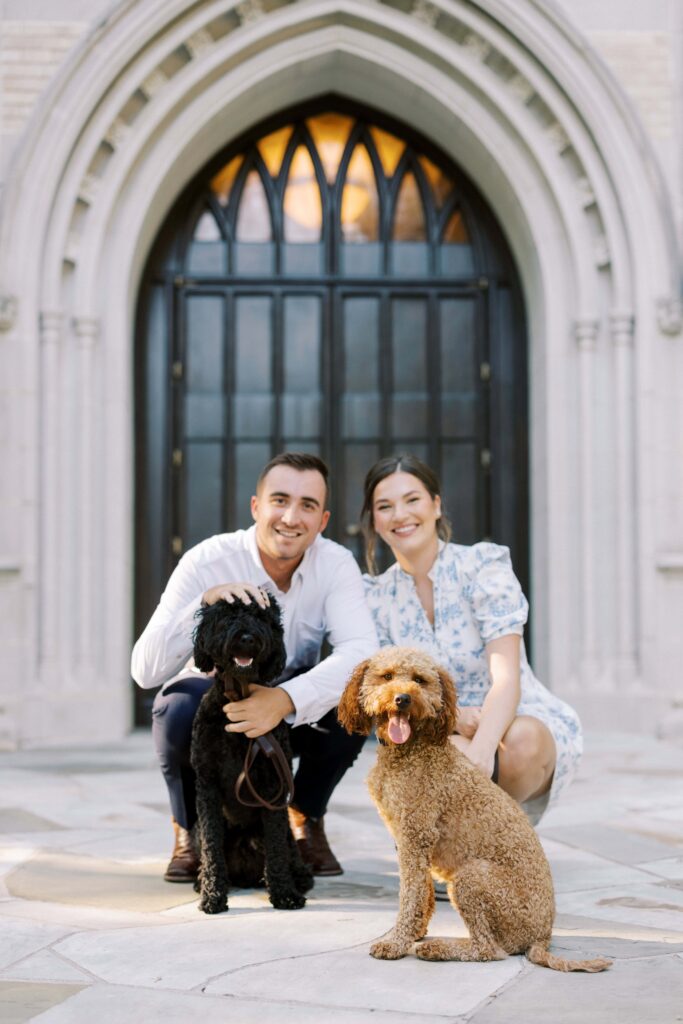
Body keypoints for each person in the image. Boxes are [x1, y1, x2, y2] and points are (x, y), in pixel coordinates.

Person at [132, 452, 378, 881]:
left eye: (307, 505)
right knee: (176, 709)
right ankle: (189, 829)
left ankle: (304, 818)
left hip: (289, 708)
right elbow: (145, 670)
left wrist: (284, 699)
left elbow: (360, 653)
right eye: (279, 500)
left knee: (355, 701)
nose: (290, 516)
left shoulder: (335, 563)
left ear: (322, 521)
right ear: (256, 508)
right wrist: (203, 604)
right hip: (215, 703)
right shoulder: (206, 560)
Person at [360, 453, 582, 827]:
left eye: (412, 500)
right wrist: (455, 718)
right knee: (446, 756)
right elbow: (386, 696)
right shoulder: (375, 599)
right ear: (375, 521)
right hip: (436, 726)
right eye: (385, 506)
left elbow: (506, 677)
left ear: (436, 505)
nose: (400, 514)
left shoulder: (482, 566)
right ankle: (469, 846)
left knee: (521, 745)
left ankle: (491, 840)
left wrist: (483, 750)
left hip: (514, 713)